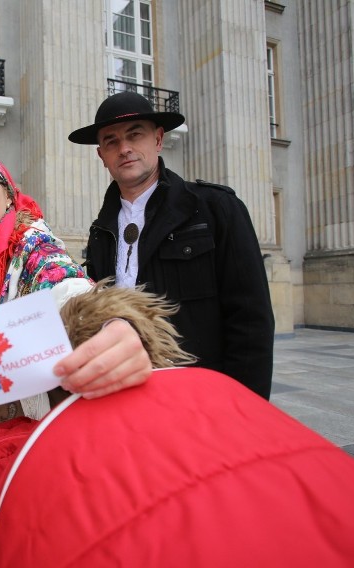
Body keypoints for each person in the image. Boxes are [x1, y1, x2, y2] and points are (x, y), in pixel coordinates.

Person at [0, 290, 354, 568]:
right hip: (11, 437)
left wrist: (246, 414)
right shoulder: (104, 220)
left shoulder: (44, 254)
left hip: (175, 404)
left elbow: (88, 303)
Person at [0, 152, 154, 567]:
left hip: (24, 437)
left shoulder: (35, 249)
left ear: (7, 191)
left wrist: (115, 325)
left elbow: (71, 293)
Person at [69, 90, 276, 399]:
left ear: (158, 139)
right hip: (127, 395)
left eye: (134, 135)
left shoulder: (215, 208)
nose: (124, 148)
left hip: (200, 396)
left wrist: (245, 410)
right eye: (111, 141)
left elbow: (251, 321)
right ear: (102, 156)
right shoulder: (101, 231)